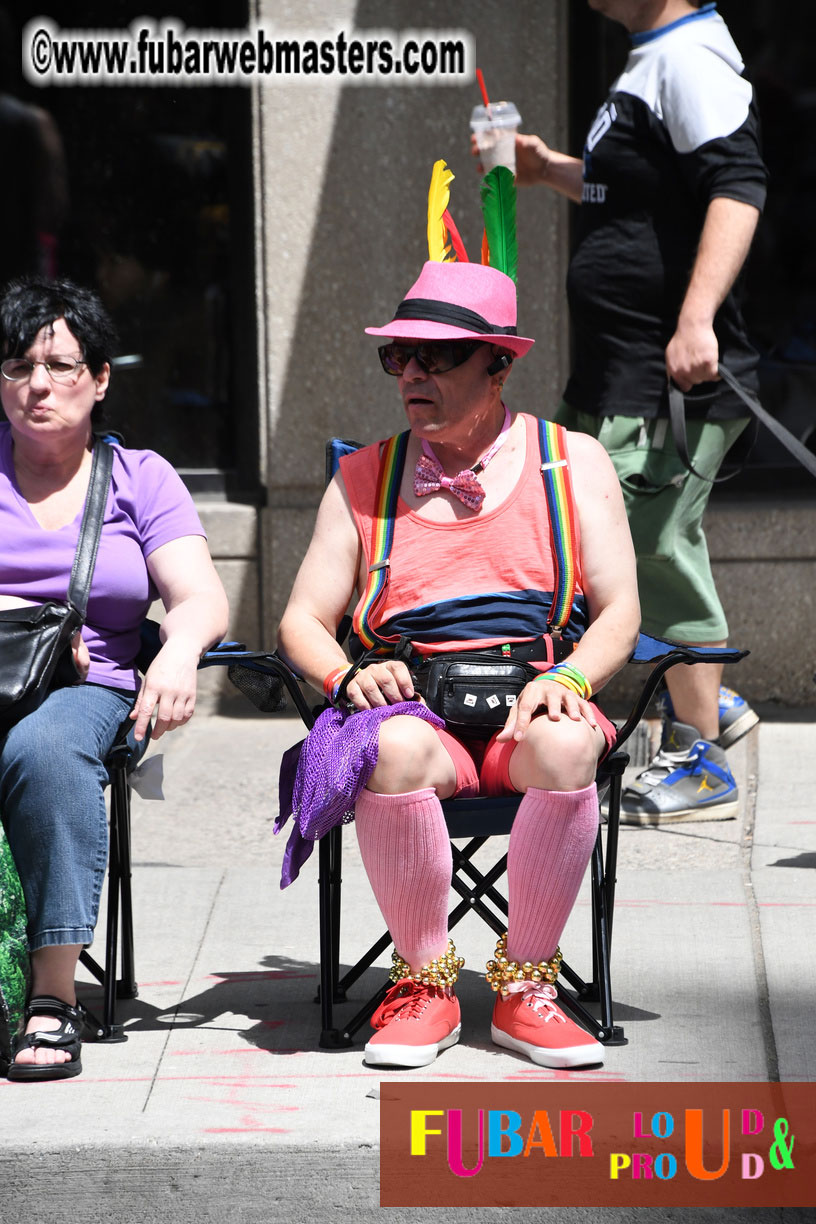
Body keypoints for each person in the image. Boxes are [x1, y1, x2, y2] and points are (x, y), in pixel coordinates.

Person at [277, 259, 640, 1070]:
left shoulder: (572, 461)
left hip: (532, 700)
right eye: (398, 355)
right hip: (415, 711)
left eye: (436, 357)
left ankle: (526, 988)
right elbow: (301, 619)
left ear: (498, 366)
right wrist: (346, 678)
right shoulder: (363, 476)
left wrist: (570, 679)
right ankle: (425, 985)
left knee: (569, 743)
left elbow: (621, 613)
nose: (412, 373)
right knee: (389, 746)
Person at [510, 0, 767, 823]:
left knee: (653, 553)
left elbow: (738, 185)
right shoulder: (653, 56)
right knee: (594, 549)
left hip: (661, 387)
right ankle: (707, 699)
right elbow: (636, 192)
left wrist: (696, 319)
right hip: (611, 377)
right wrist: (553, 170)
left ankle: (702, 762)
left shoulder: (690, 58)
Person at [0, 276, 229, 1081]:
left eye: (60, 366)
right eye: (19, 365)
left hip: (86, 689)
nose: (37, 385)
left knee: (44, 752)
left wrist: (178, 650)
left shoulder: (140, 477)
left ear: (99, 379)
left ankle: (52, 999)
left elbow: (202, 596)